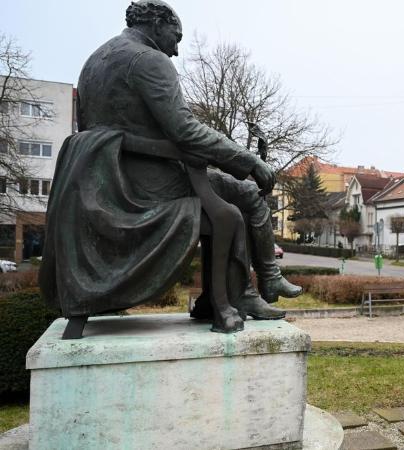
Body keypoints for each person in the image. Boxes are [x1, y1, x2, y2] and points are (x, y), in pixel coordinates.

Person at [39, 0, 301, 330]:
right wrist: (246, 159)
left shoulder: (94, 62)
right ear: (159, 24)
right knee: (248, 194)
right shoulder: (149, 60)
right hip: (144, 184)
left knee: (237, 195)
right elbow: (184, 129)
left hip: (107, 180)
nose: (175, 50)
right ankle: (260, 285)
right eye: (176, 38)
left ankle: (247, 289)